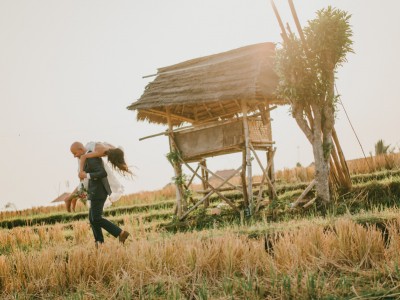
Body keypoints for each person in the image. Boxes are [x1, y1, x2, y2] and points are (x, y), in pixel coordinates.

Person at [70, 141, 130, 245]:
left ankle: (121, 233)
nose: (74, 156)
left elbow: (102, 173)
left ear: (80, 149)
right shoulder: (86, 158)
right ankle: (99, 242)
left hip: (99, 192)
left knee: (96, 218)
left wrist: (86, 175)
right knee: (92, 219)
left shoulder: (91, 158)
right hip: (94, 192)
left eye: (74, 153)